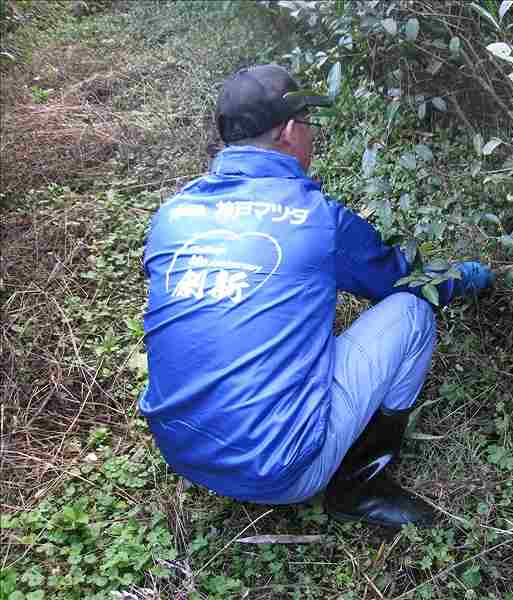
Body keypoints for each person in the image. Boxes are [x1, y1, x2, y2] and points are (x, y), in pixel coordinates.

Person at [139, 64, 493, 528]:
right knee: (411, 313)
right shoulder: (316, 218)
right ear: (288, 131)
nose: (314, 137)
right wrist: (465, 277)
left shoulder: (173, 212)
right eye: (310, 124)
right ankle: (359, 486)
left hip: (182, 454)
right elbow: (402, 280)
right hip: (280, 473)